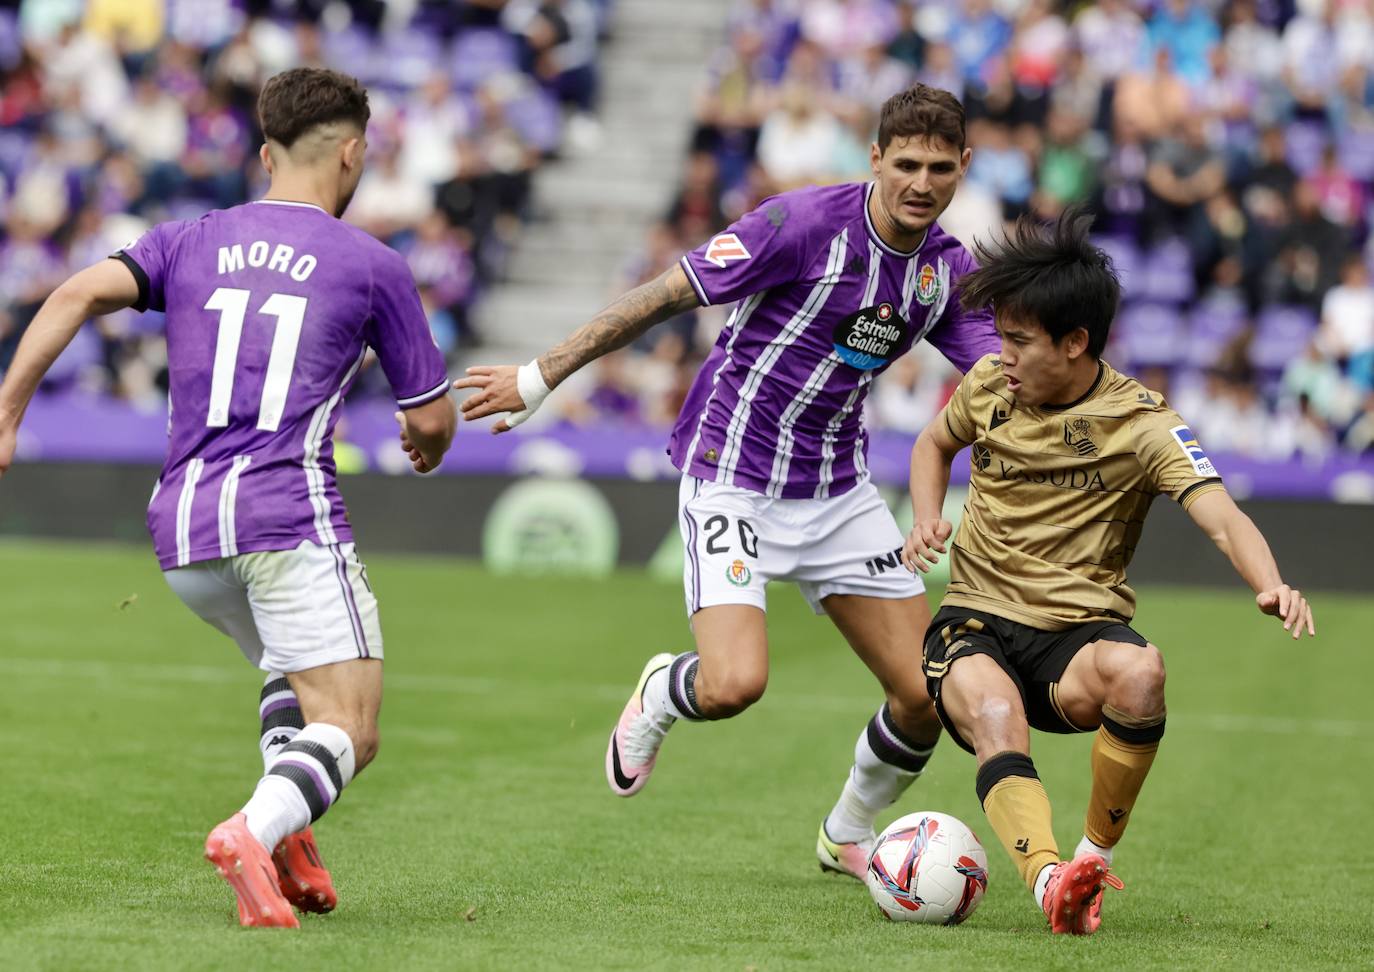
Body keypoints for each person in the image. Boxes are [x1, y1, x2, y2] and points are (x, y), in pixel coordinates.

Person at [456, 83, 1000, 879]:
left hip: (838, 492)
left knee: (924, 694)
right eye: (907, 163)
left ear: (965, 168)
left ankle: (846, 833)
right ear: (875, 157)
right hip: (733, 476)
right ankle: (663, 689)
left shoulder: (944, 272)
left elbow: (998, 373)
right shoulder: (802, 226)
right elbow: (666, 294)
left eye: (941, 168)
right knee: (735, 683)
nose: (922, 183)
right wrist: (543, 374)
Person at [0, 68, 457, 928]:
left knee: (290, 671)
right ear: (353, 153)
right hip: (286, 516)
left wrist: (6, 412)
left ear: (263, 153)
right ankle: (254, 829)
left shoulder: (190, 237)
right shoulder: (372, 265)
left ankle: (289, 842)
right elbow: (429, 418)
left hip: (181, 531)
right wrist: (427, 446)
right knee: (352, 729)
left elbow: (73, 293)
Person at [901, 208, 1315, 936]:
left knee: (1142, 672)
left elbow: (1220, 515)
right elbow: (932, 445)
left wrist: (1269, 581)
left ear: (1075, 342)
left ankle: (1090, 862)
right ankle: (1049, 883)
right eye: (1001, 337)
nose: (1003, 356)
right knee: (996, 715)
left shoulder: (1143, 423)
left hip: (1073, 636)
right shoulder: (988, 387)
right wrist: (927, 517)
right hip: (973, 621)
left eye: (1019, 341)